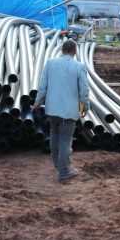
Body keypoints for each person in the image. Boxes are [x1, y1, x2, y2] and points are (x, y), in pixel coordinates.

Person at [32, 39, 90, 183]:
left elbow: (42, 86)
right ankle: (64, 173)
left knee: (54, 136)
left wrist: (37, 102)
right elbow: (84, 91)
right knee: (65, 141)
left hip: (52, 110)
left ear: (62, 51)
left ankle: (58, 164)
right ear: (75, 52)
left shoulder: (51, 63)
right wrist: (85, 107)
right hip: (68, 112)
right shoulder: (79, 67)